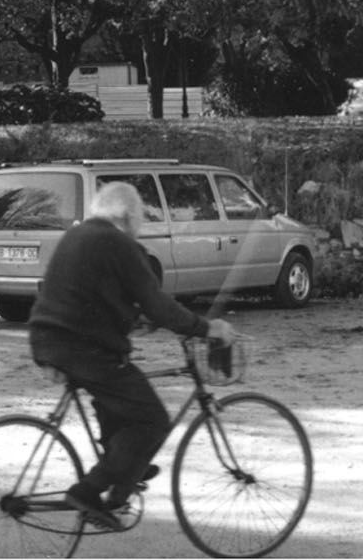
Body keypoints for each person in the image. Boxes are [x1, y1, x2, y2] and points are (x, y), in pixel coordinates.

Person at [28, 181, 235, 530]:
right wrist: (206, 328)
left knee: (120, 398)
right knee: (152, 419)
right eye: (140, 220)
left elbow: (92, 293)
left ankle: (126, 467)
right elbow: (158, 304)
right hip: (83, 348)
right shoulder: (118, 243)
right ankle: (89, 491)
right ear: (127, 215)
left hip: (48, 338)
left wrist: (134, 319)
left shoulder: (77, 236)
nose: (140, 228)